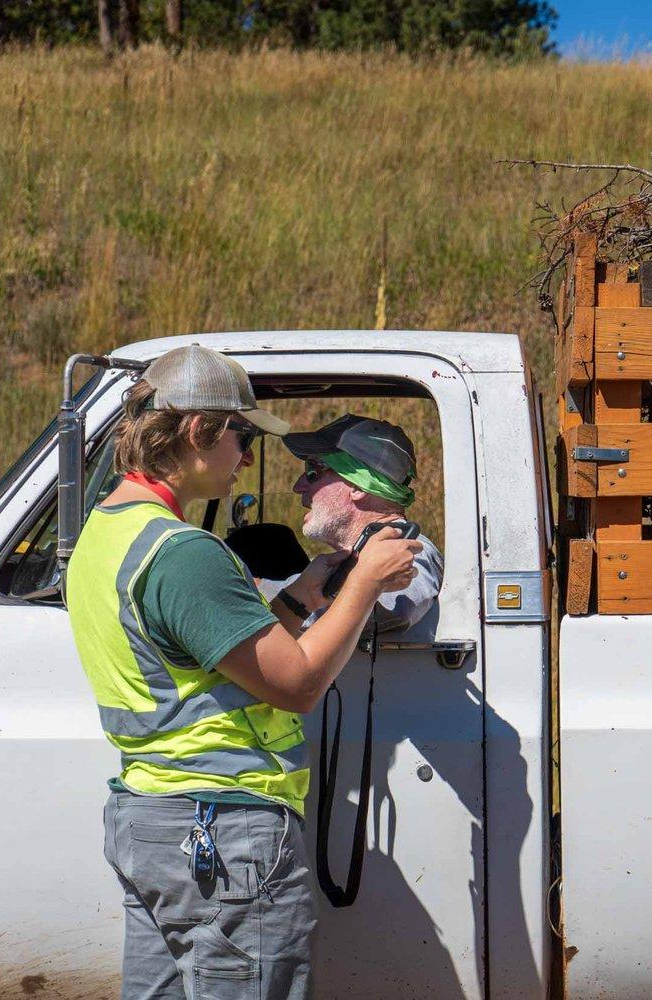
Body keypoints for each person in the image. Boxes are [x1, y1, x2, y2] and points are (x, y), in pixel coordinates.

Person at [66, 344, 421, 1000]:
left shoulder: (108, 535)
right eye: (244, 436)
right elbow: (297, 684)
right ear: (201, 432)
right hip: (222, 832)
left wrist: (297, 601)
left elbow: (209, 662)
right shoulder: (185, 555)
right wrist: (364, 582)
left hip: (152, 821)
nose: (250, 458)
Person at [267, 414, 443, 634]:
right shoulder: (352, 558)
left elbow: (390, 612)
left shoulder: (410, 552)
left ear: (358, 487)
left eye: (312, 472)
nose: (298, 486)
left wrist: (255, 594)